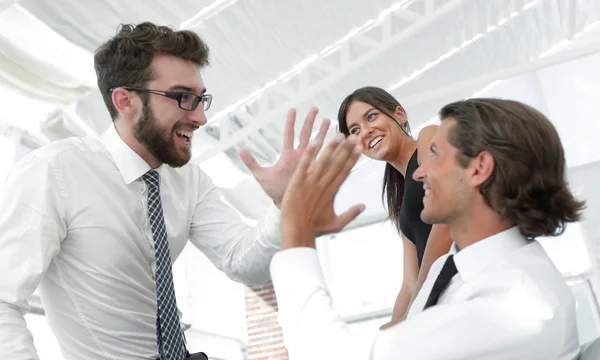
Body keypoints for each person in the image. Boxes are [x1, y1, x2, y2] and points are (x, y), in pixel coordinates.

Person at [0, 22, 330, 360]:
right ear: (125, 101)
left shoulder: (189, 180)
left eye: (201, 99)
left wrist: (283, 202)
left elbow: (244, 262)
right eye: (183, 98)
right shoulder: (54, 172)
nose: (201, 117)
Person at [271, 98, 586, 359]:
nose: (419, 173)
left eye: (434, 154)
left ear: (479, 168)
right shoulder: (455, 267)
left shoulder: (517, 308)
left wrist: (297, 234)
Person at [338, 86, 453, 326]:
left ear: (400, 114)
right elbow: (409, 283)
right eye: (355, 130)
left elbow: (446, 223)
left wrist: (413, 312)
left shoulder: (428, 137)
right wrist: (392, 329)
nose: (366, 132)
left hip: (460, 288)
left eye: (371, 116)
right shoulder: (400, 202)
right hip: (439, 305)